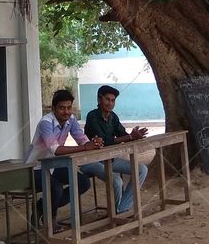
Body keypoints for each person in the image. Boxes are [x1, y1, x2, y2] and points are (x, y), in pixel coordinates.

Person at [24, 89, 104, 232]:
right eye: (62, 108)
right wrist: (85, 147)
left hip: (53, 166)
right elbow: (56, 149)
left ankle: (41, 207)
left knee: (83, 182)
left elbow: (81, 139)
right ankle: (51, 219)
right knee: (56, 188)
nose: (66, 112)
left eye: (69, 108)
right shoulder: (45, 123)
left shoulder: (71, 119)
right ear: (53, 108)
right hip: (35, 168)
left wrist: (93, 143)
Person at [83, 85, 149, 215]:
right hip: (92, 161)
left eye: (113, 100)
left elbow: (122, 134)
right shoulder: (92, 116)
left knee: (142, 169)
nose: (110, 103)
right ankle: (117, 214)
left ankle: (120, 210)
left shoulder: (113, 116)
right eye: (107, 99)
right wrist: (130, 137)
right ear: (99, 99)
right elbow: (103, 140)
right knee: (117, 181)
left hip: (110, 159)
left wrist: (134, 135)